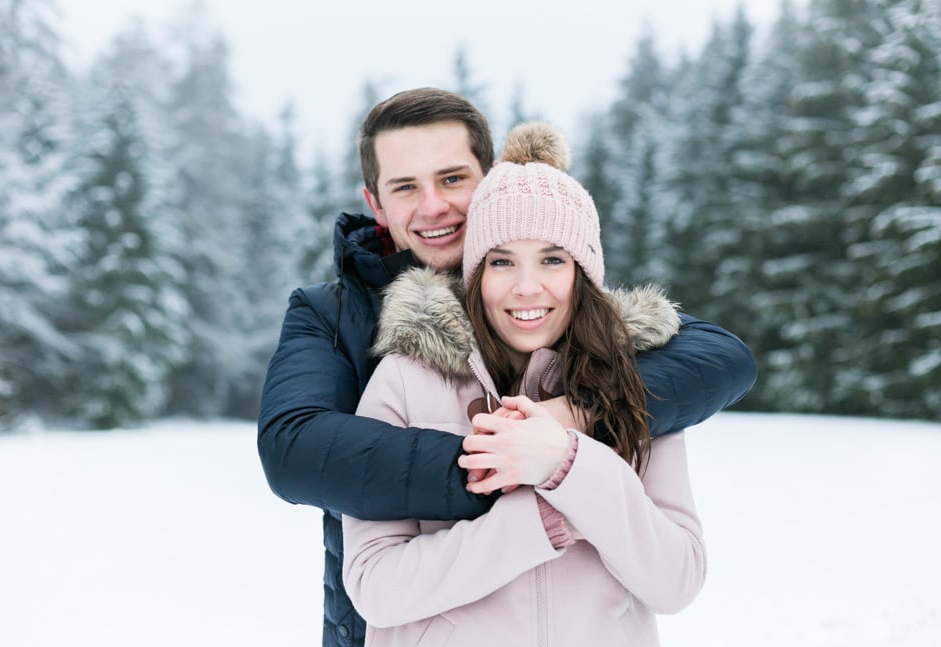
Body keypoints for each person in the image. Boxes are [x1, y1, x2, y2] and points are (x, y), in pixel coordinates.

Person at [257, 88, 756, 647]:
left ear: (490, 176)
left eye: (451, 179)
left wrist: (580, 418)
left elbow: (724, 358)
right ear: (376, 203)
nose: (433, 206)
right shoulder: (349, 328)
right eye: (405, 187)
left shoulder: (604, 347)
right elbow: (294, 448)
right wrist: (505, 462)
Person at [342, 122, 707, 646]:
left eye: (553, 259)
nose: (526, 287)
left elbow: (677, 580)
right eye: (502, 261)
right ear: (475, 274)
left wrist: (569, 465)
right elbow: (376, 586)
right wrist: (544, 519)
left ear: (584, 274)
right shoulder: (405, 381)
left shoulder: (630, 382)